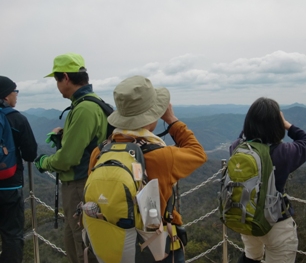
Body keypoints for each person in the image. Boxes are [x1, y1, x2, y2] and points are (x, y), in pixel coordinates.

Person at [89, 75, 207, 262]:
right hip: (157, 249)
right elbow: (198, 152)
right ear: (152, 115)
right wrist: (172, 120)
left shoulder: (100, 152)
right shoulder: (162, 156)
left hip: (114, 248)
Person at [34, 53, 108, 263]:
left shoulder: (84, 108)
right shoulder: (93, 102)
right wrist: (64, 136)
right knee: (76, 240)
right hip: (89, 180)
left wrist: (44, 162)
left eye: (57, 80)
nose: (57, 86)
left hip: (79, 185)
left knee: (82, 243)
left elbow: (68, 159)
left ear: (65, 77)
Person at [230, 97, 306, 263]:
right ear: (277, 124)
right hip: (276, 224)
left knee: (251, 257)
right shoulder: (283, 153)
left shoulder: (237, 148)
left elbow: (244, 137)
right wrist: (287, 124)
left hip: (246, 219)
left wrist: (252, 126)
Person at [0, 76, 37, 263]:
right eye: (15, 91)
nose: (16, 95)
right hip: (8, 187)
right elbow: (31, 154)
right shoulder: (16, 119)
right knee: (12, 236)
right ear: (6, 95)